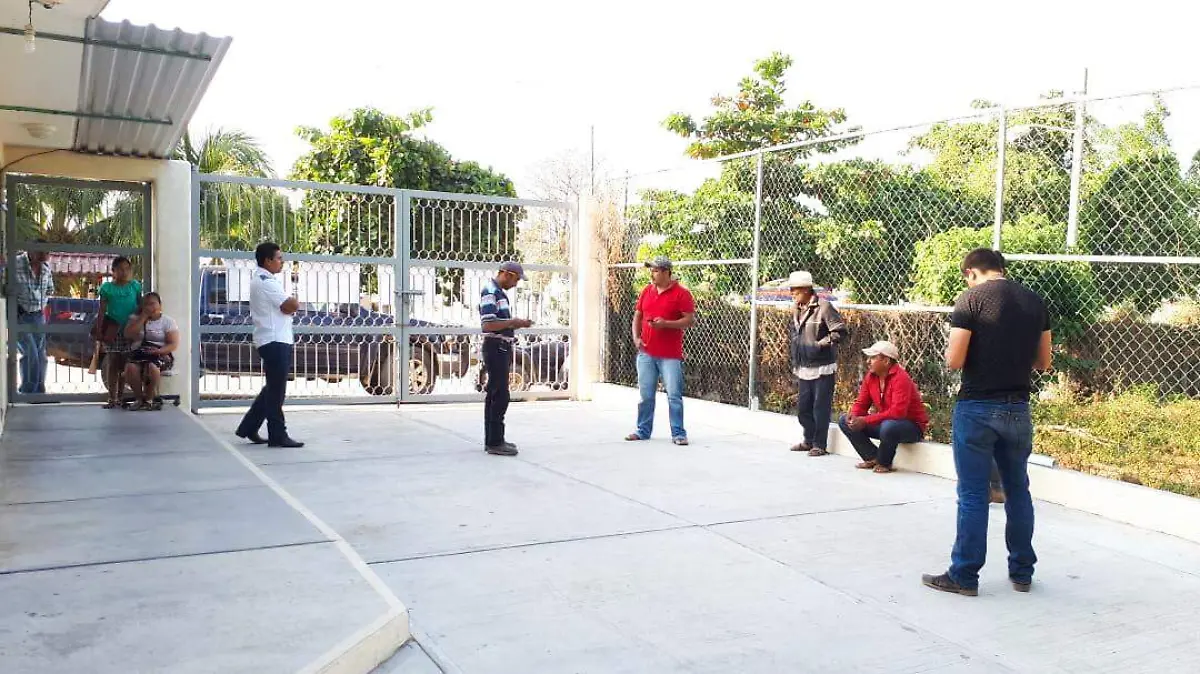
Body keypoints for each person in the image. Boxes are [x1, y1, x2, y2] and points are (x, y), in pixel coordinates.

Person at [923, 248, 1052, 597]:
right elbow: (1043, 362)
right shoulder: (1034, 301)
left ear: (971, 272)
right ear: (1001, 268)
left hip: (978, 407)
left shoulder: (971, 299)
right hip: (1018, 407)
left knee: (973, 494)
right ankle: (1022, 572)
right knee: (1018, 490)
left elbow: (954, 359)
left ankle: (964, 575)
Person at [235, 242, 303, 448]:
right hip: (274, 340)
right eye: (279, 258)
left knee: (272, 388)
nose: (282, 262)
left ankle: (248, 427)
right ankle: (277, 434)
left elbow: (286, 307)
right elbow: (291, 305)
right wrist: (292, 304)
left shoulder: (264, 279)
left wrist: (288, 306)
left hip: (274, 338)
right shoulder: (266, 281)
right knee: (276, 391)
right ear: (267, 260)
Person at [624, 256, 695, 446]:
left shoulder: (682, 294)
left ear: (666, 272)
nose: (652, 274)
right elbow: (637, 316)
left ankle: (679, 433)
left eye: (655, 270)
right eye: (651, 270)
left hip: (670, 355)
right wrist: (636, 338)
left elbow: (689, 320)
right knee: (645, 395)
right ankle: (642, 431)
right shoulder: (647, 291)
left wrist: (666, 324)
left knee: (674, 395)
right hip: (646, 352)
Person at [838, 340, 929, 473]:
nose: (868, 361)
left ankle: (884, 463)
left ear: (886, 361)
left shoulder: (901, 378)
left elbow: (898, 413)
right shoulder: (871, 377)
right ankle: (872, 457)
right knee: (844, 420)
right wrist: (854, 415)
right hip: (887, 423)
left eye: (873, 358)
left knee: (889, 426)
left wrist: (865, 421)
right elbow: (861, 403)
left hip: (910, 427)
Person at [787, 271, 846, 456]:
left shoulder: (824, 307)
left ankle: (819, 445)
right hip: (804, 366)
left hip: (822, 367)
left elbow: (840, 332)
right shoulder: (797, 308)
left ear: (806, 289)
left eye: (794, 290)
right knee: (803, 408)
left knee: (820, 408)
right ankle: (808, 440)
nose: (792, 293)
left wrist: (819, 345)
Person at [480, 261, 534, 456]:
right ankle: (495, 442)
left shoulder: (498, 293)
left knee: (495, 394)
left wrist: (514, 325)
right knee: (500, 395)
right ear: (507, 274)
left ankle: (494, 439)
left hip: (500, 348)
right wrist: (514, 322)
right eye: (516, 279)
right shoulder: (490, 292)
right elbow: (488, 324)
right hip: (496, 348)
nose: (516, 284)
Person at [96, 256, 142, 408]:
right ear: (113, 271)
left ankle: (121, 397)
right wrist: (99, 330)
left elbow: (141, 307)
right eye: (120, 269)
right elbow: (102, 311)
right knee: (112, 363)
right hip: (113, 332)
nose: (124, 272)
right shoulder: (107, 288)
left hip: (130, 331)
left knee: (125, 364)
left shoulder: (135, 286)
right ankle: (111, 398)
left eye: (127, 269)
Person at [122, 293, 178, 411]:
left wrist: (159, 351)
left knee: (152, 367)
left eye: (153, 304)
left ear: (160, 305)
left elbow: (173, 344)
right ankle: (139, 399)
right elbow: (128, 334)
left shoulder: (168, 321)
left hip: (160, 354)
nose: (149, 307)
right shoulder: (135, 319)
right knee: (130, 368)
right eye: (146, 304)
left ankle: (149, 400)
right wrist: (142, 318)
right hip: (140, 352)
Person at [11, 244, 54, 394]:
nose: (45, 256)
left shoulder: (46, 268)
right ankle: (28, 393)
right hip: (18, 314)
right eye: (42, 252)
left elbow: (50, 289)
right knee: (30, 353)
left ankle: (39, 392)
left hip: (38, 315)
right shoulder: (14, 264)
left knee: (41, 356)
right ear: (31, 251)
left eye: (47, 253)